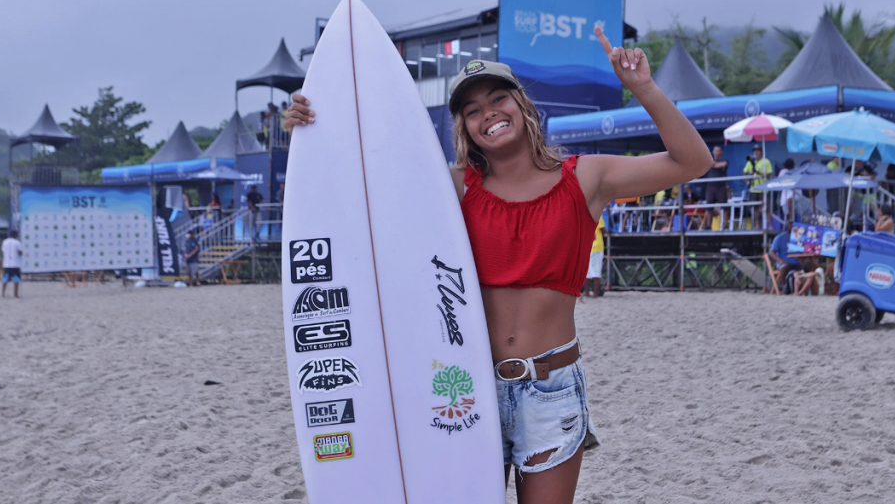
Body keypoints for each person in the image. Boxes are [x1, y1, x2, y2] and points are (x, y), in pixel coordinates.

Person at [284, 27, 713, 502]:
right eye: (472, 111)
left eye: (497, 99)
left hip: (551, 389)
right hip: (468, 389)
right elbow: (357, 198)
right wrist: (312, 130)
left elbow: (693, 161)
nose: (488, 114)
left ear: (522, 106)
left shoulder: (587, 178)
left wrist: (643, 89)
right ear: (464, 128)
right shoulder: (454, 189)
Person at [743, 146, 773, 228]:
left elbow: (769, 174)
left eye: (758, 151)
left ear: (761, 152)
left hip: (763, 188)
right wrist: (748, 181)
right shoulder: (750, 162)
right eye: (754, 151)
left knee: (766, 208)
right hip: (754, 188)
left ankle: (770, 226)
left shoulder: (766, 161)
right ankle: (757, 226)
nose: (756, 152)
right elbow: (744, 172)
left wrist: (759, 173)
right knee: (755, 208)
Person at [769, 221, 801, 294]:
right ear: (787, 228)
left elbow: (802, 250)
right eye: (792, 226)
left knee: (808, 266)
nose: (794, 228)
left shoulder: (798, 238)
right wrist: (779, 260)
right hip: (785, 261)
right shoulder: (779, 238)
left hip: (797, 261)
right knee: (784, 267)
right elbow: (772, 252)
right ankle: (784, 287)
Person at [703, 146, 730, 229]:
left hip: (721, 186)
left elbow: (722, 165)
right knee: (709, 207)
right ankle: (708, 225)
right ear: (713, 152)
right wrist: (714, 164)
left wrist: (713, 164)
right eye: (715, 151)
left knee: (724, 206)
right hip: (711, 186)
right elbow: (713, 165)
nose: (717, 152)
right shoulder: (709, 161)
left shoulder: (725, 160)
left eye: (718, 151)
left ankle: (725, 224)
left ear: (721, 152)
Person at [582, 213, 607, 300]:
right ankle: (595, 293)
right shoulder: (597, 215)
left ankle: (587, 292)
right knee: (596, 270)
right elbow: (603, 230)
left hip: (587, 246)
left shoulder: (583, 216)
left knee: (587, 271)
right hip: (596, 246)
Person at [1, 230, 24, 298]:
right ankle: (15, 294)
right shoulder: (17, 242)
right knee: (16, 280)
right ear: (15, 235)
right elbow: (20, 252)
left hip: (7, 264)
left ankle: (3, 293)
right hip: (15, 264)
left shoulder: (4, 242)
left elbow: (3, 251)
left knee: (5, 279)